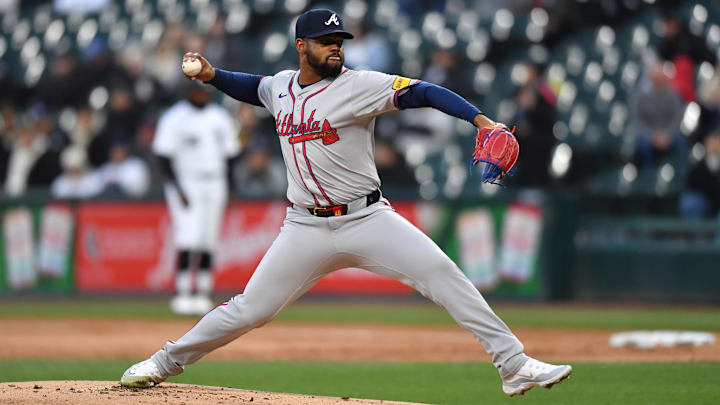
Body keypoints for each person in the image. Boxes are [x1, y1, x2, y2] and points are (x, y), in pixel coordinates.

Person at [122, 9, 571, 397]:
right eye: (326, 42)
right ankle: (163, 362)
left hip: (367, 218)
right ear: (302, 46)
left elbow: (423, 91)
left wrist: (479, 119)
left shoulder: (361, 86)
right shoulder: (279, 87)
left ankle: (513, 365)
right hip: (304, 229)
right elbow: (250, 86)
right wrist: (211, 74)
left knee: (442, 273)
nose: (336, 48)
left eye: (339, 41)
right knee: (248, 310)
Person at [152, 81, 241, 316]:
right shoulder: (174, 117)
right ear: (188, 92)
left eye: (204, 92)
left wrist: (230, 187)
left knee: (208, 237)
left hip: (215, 180)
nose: (201, 95)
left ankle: (202, 291)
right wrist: (177, 188)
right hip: (186, 181)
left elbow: (231, 156)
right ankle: (182, 292)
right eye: (197, 91)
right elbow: (163, 157)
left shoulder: (219, 117)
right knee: (188, 236)